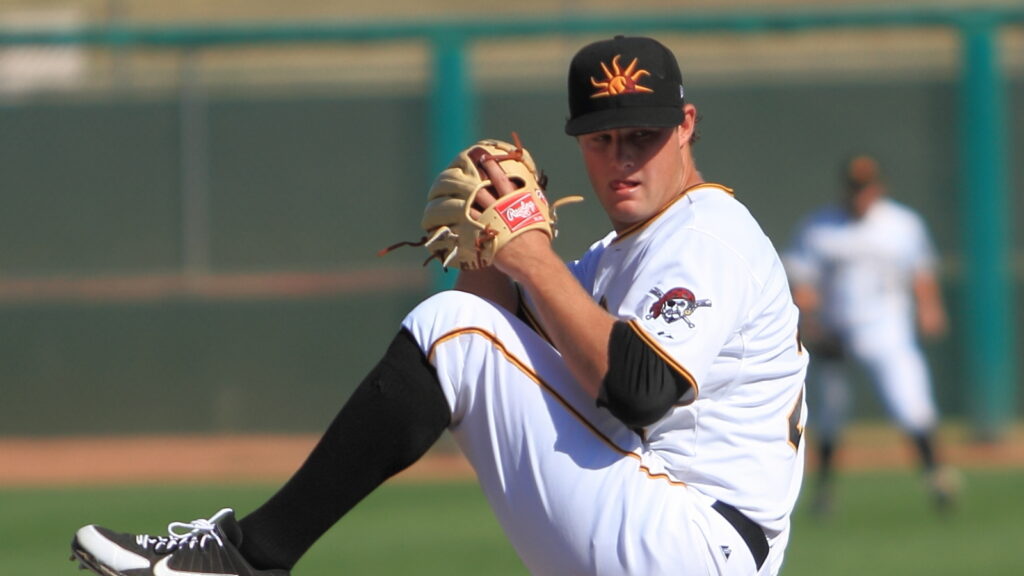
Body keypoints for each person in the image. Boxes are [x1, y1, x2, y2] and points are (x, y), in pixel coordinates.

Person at [69, 35, 807, 576]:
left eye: (642, 135)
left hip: (692, 539)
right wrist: (493, 246)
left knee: (447, 330)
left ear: (685, 125)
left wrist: (532, 258)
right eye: (601, 137)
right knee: (455, 327)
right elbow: (461, 362)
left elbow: (641, 391)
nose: (621, 158)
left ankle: (247, 559)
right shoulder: (614, 257)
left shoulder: (707, 234)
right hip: (652, 520)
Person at [783, 154, 958, 515]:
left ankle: (937, 477)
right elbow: (803, 281)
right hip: (836, 329)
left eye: (865, 187)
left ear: (879, 187)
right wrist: (811, 321)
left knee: (910, 402)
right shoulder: (820, 227)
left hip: (886, 327)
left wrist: (929, 308)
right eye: (854, 188)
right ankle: (824, 492)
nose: (859, 195)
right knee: (828, 414)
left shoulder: (902, 224)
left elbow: (920, 271)